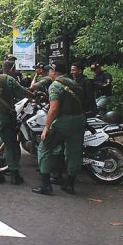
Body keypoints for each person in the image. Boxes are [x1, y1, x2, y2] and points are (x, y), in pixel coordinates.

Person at [32, 63, 86, 196]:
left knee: (44, 147)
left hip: (64, 122)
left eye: (50, 70)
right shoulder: (74, 83)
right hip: (79, 120)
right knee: (73, 152)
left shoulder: (55, 85)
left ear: (54, 71)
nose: (48, 72)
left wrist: (46, 128)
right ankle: (69, 184)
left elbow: (54, 109)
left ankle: (46, 185)